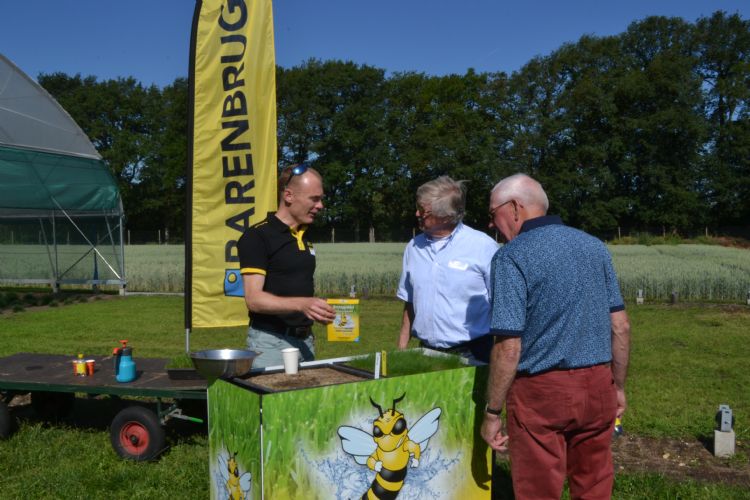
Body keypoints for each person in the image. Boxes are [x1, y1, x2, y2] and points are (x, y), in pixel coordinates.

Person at [481, 173, 631, 499]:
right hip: (598, 385)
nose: (493, 224)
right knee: (594, 486)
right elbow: (620, 326)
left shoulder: (511, 256)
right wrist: (617, 387)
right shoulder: (595, 247)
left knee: (538, 490)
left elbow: (508, 346)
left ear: (515, 208)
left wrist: (492, 414)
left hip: (540, 393)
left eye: (493, 214)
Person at [237, 164, 336, 368]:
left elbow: (294, 287)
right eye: (314, 199)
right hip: (271, 344)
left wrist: (317, 310)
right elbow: (253, 299)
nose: (320, 206)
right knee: (272, 399)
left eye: (321, 199)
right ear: (289, 196)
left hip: (306, 341)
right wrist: (302, 305)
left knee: (305, 399)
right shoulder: (257, 236)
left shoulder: (304, 236)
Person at [396, 176, 498, 364]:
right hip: (426, 352)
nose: (417, 214)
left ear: (447, 216)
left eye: (422, 211)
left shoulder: (483, 247)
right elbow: (410, 303)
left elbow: (501, 305)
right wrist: (401, 348)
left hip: (473, 353)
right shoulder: (413, 247)